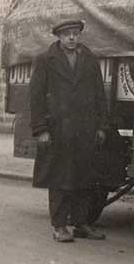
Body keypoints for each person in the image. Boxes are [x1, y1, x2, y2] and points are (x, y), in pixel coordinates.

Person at [30, 19, 108, 243]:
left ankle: (81, 224)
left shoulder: (89, 58)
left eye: (75, 34)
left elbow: (99, 94)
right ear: (59, 37)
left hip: (85, 130)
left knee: (85, 177)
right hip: (58, 130)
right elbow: (35, 99)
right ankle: (60, 226)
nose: (72, 38)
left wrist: (102, 126)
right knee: (60, 179)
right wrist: (41, 130)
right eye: (67, 35)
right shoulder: (45, 60)